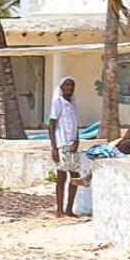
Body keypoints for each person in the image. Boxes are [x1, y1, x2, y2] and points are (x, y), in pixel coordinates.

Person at [48, 77, 81, 218]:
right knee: (61, 177)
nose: (70, 87)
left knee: (75, 176)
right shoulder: (58, 102)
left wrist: (77, 140)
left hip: (72, 145)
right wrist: (54, 147)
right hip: (62, 144)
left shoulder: (73, 103)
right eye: (67, 85)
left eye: (72, 85)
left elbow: (75, 124)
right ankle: (59, 210)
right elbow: (51, 124)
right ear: (62, 87)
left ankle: (69, 209)